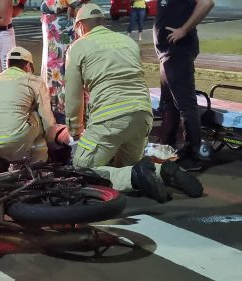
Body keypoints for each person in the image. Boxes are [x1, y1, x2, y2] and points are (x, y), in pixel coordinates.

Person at [64, 3, 203, 202]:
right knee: (126, 165)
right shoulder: (127, 42)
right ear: (102, 22)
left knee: (82, 168)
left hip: (109, 119)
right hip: (142, 115)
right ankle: (161, 171)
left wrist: (75, 130)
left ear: (80, 26)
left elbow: (73, 95)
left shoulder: (78, 47)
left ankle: (135, 177)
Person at [0, 46, 68, 170]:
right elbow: (47, 119)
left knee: (21, 117)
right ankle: (40, 162)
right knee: (38, 118)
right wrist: (54, 142)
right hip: (13, 140)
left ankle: (5, 158)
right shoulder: (32, 80)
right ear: (27, 65)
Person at [154, 0, 214, 171]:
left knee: (185, 105)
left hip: (177, 51)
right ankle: (169, 147)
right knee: (169, 103)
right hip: (167, 53)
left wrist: (183, 29)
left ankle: (193, 155)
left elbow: (206, 3)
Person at [40, 0, 89, 113]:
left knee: (67, 64)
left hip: (67, 21)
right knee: (55, 64)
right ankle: (60, 107)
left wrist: (73, 4)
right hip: (54, 22)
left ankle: (69, 108)